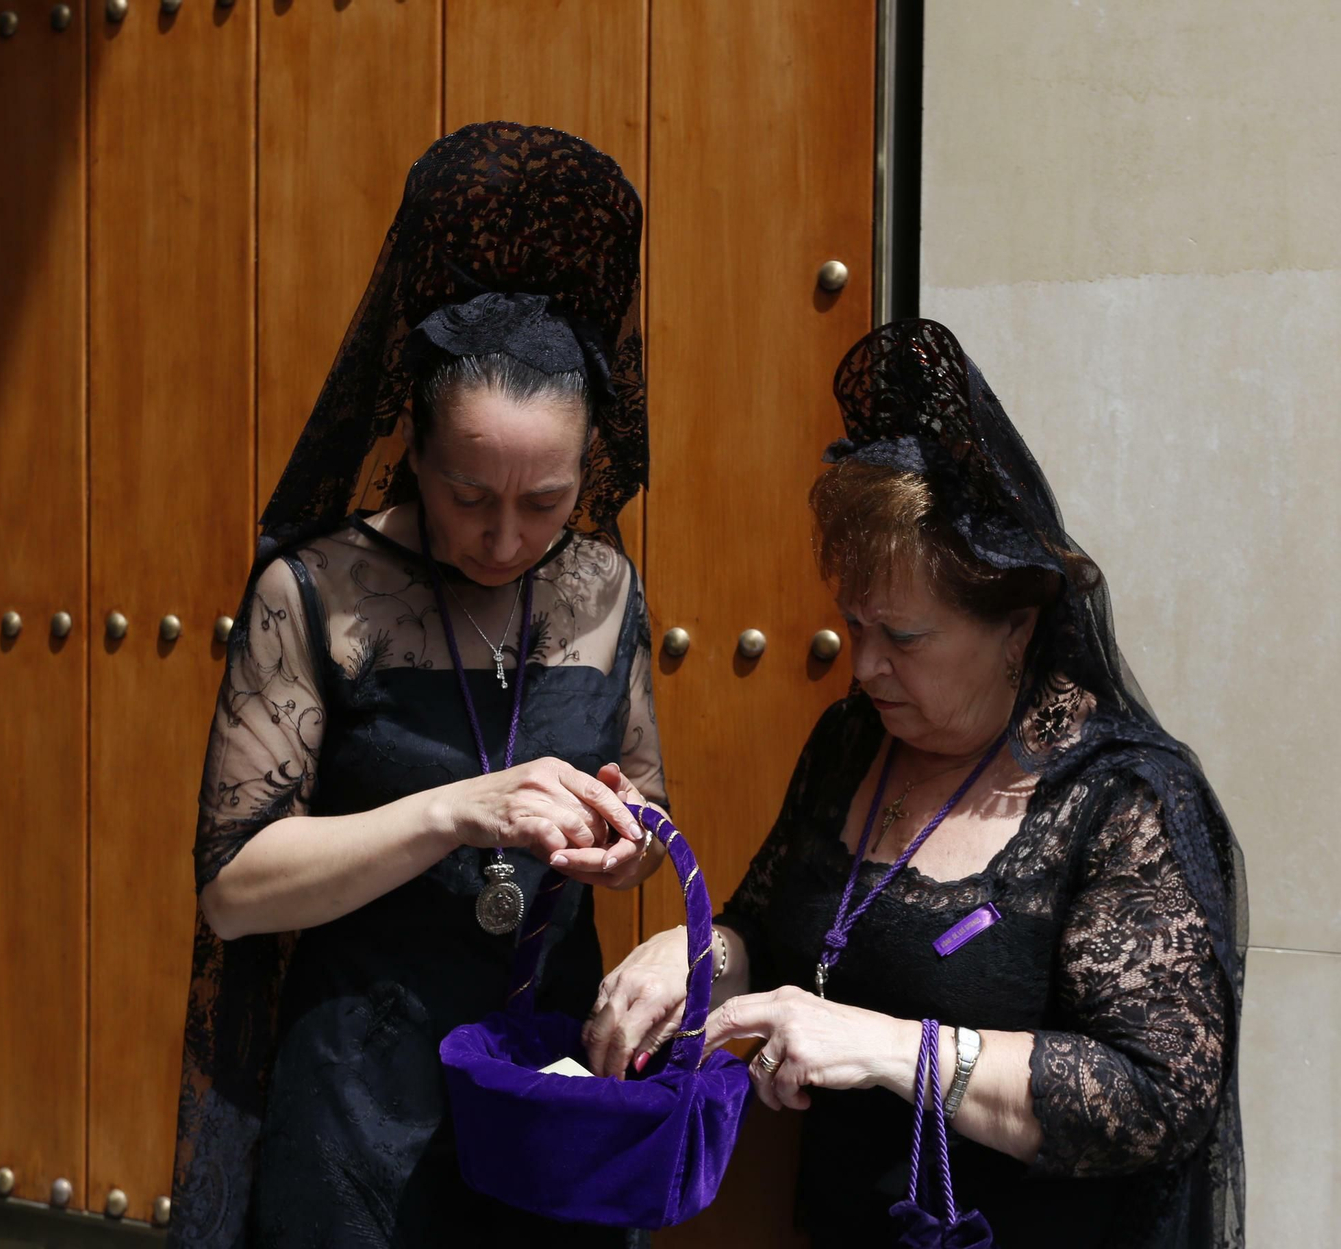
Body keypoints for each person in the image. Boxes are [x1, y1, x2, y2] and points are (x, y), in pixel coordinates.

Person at [584, 320, 1246, 1248]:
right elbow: (773, 934)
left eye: (904, 638)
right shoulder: (854, 742)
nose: (863, 668)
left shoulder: (1124, 800)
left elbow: (1156, 1097)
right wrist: (695, 956)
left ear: (1016, 622)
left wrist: (892, 1046)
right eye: (854, 627)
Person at [167, 122, 669, 1249]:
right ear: (414, 449)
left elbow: (640, 795)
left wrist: (627, 841)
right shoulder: (319, 589)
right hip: (358, 1101)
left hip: (546, 1088)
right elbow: (235, 886)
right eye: (466, 493)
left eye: (544, 500)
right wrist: (453, 811)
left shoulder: (601, 588)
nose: (503, 535)